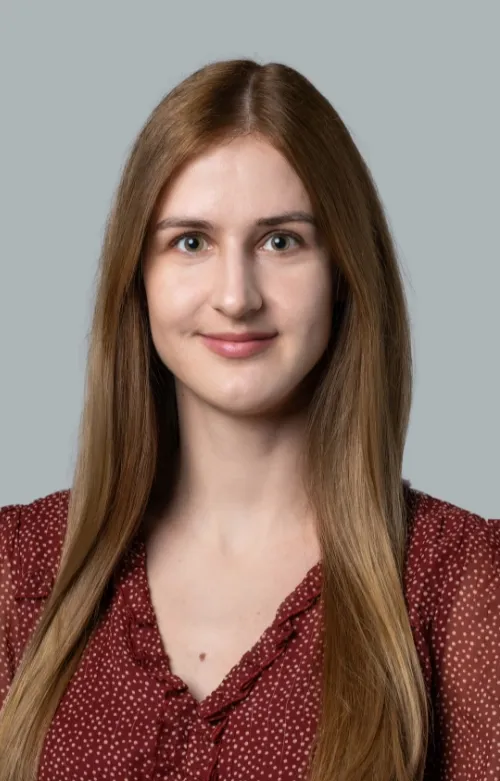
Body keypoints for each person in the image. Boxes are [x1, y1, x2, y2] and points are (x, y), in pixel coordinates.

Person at [0, 58, 498, 781]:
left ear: (342, 272)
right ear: (139, 277)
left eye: (281, 240)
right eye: (191, 241)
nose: (236, 297)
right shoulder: (18, 569)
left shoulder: (461, 582)